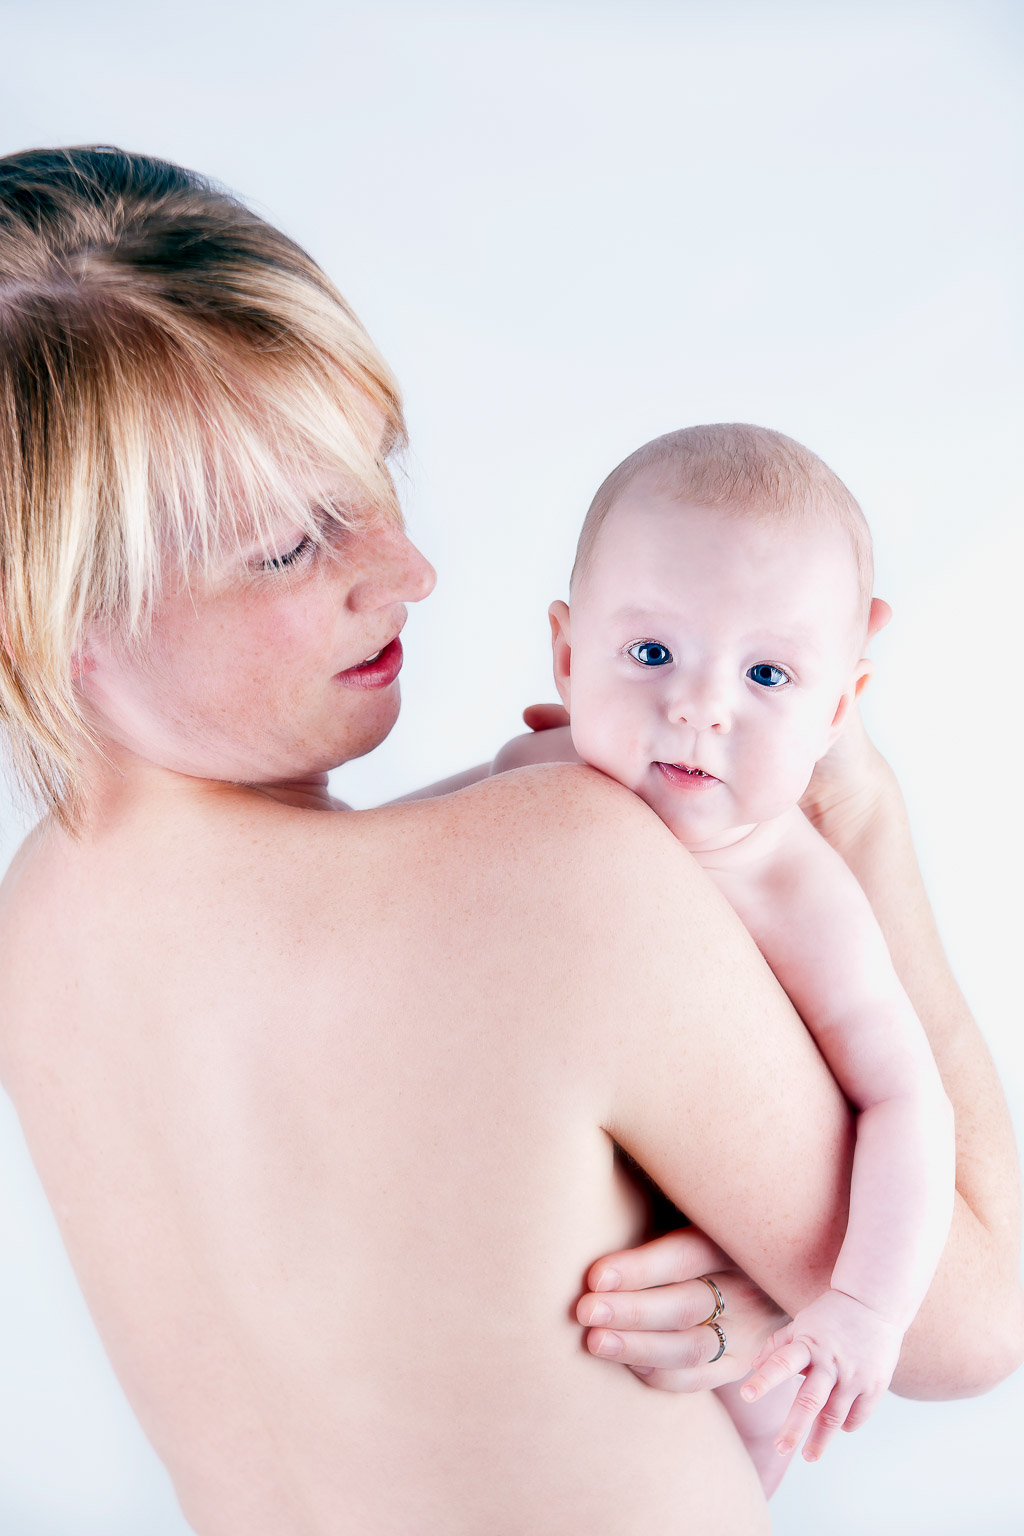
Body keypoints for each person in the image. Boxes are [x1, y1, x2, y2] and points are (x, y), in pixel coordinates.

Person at [0, 146, 1020, 1536]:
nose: (408, 568)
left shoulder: (39, 923)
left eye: (372, 473)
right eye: (289, 545)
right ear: (49, 620)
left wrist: (754, 1278)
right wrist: (861, 813)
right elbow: (978, 1317)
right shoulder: (560, 869)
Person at [485, 424, 955, 1486]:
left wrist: (863, 1306)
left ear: (838, 710)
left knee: (724, 1452)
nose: (700, 707)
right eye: (651, 654)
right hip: (542, 1253)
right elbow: (392, 861)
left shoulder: (795, 892)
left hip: (731, 1309)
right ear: (568, 656)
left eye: (767, 672)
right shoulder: (531, 779)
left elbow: (906, 1100)